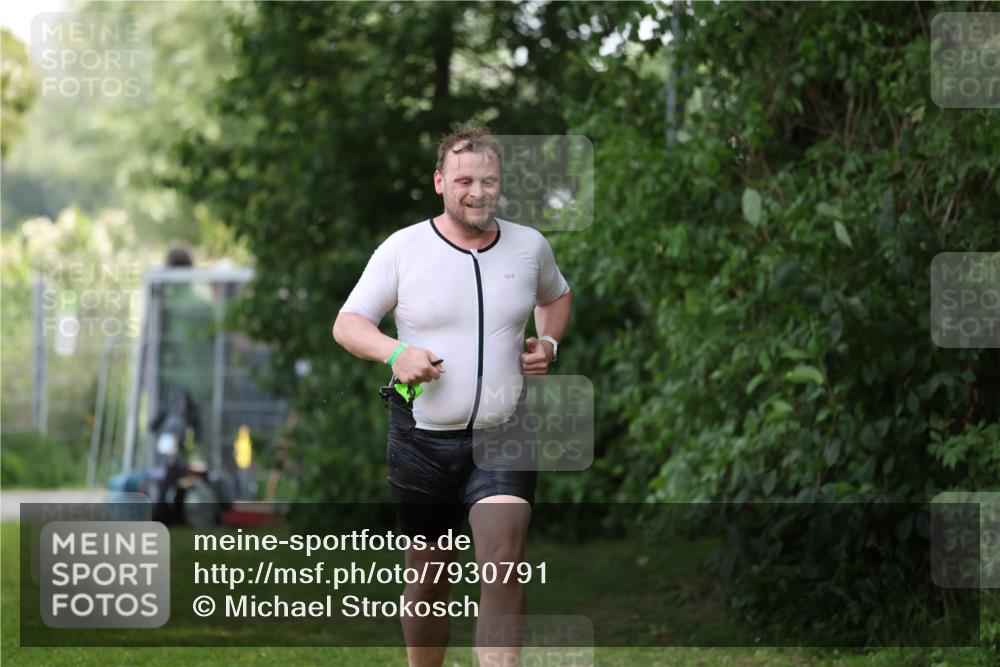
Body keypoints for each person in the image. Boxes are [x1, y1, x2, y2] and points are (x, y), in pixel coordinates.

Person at [333, 126, 572, 667]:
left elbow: (556, 297)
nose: (478, 192)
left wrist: (549, 343)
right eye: (465, 180)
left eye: (489, 181)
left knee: (504, 562)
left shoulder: (530, 246)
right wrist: (396, 353)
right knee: (428, 579)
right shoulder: (404, 249)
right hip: (421, 440)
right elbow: (348, 324)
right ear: (440, 181)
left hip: (504, 433)